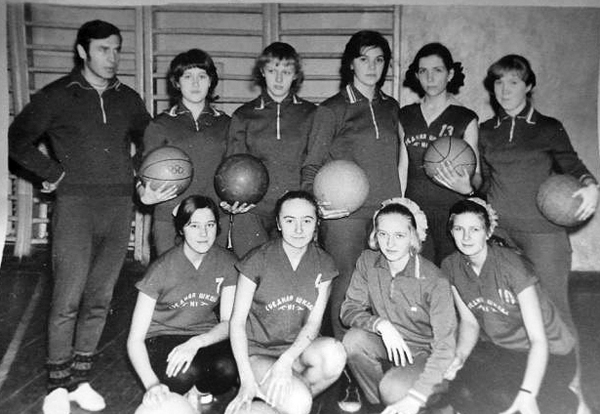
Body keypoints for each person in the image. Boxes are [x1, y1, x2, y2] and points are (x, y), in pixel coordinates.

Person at [8, 20, 151, 414]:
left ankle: (81, 379)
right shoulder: (56, 95)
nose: (112, 57)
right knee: (68, 298)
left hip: (118, 207)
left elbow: (152, 141)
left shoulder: (128, 99)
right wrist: (51, 173)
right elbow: (16, 139)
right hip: (76, 207)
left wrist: (138, 175)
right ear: (83, 51)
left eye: (117, 49)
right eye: (104, 49)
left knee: (100, 298)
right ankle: (58, 383)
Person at [302, 30, 402, 343]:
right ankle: (342, 361)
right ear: (350, 64)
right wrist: (317, 210)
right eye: (363, 59)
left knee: (383, 289)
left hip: (386, 214)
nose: (372, 66)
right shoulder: (331, 109)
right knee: (345, 289)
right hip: (345, 217)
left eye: (379, 60)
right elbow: (312, 164)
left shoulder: (392, 107)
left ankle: (373, 355)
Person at [441, 198, 578, 414]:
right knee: (461, 394)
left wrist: (527, 393)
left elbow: (538, 340)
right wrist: (460, 355)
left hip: (551, 352)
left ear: (488, 232)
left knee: (510, 400)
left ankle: (566, 402)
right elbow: (469, 322)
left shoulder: (512, 266)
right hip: (503, 349)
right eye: (459, 229)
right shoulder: (450, 266)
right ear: (451, 231)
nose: (466, 237)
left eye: (475, 229)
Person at [225, 191, 346, 414]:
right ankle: (281, 399)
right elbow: (237, 323)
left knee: (334, 354)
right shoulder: (257, 260)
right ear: (279, 224)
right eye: (290, 221)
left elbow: (313, 323)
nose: (298, 229)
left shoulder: (324, 264)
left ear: (317, 223)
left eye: (306, 221)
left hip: (296, 352)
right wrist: (246, 379)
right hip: (257, 354)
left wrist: (286, 360)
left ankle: (271, 403)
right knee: (299, 403)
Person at [341, 198, 456, 414]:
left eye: (399, 235)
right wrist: (381, 325)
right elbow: (349, 310)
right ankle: (382, 406)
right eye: (383, 234)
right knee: (353, 340)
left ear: (413, 237)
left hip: (426, 354)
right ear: (375, 235)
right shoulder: (368, 261)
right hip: (389, 342)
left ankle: (425, 403)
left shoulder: (434, 280)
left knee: (393, 390)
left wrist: (418, 394)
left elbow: (445, 347)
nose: (390, 244)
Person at [127, 195, 239, 411]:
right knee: (183, 373)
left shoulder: (227, 262)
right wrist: (152, 385)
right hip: (162, 335)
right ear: (181, 229)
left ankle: (198, 392)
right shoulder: (161, 269)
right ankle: (182, 392)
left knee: (228, 370)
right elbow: (135, 339)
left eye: (210, 225)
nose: (203, 233)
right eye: (194, 225)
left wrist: (197, 342)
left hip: (203, 334)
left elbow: (228, 322)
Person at [222, 42, 317, 258]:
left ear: (296, 75)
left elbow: (316, 163)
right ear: (262, 71)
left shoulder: (312, 114)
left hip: (296, 211)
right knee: (252, 270)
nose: (279, 79)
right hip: (252, 210)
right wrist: (232, 200)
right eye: (273, 71)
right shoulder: (244, 115)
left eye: (286, 72)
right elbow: (232, 165)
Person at [138, 49, 231, 255]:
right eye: (187, 76)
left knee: (211, 274)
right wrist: (144, 195)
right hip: (169, 218)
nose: (195, 83)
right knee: (171, 275)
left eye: (202, 76)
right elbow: (143, 172)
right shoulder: (160, 124)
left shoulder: (226, 123)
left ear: (211, 81)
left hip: (213, 218)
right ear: (177, 82)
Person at [399, 42, 480, 266]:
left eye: (437, 70)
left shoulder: (465, 118)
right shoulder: (405, 115)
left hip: (452, 212)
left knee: (450, 274)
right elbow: (402, 167)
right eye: (423, 71)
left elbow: (478, 175)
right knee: (418, 275)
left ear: (450, 74)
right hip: (416, 211)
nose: (430, 78)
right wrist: (401, 205)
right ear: (416, 75)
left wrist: (468, 189)